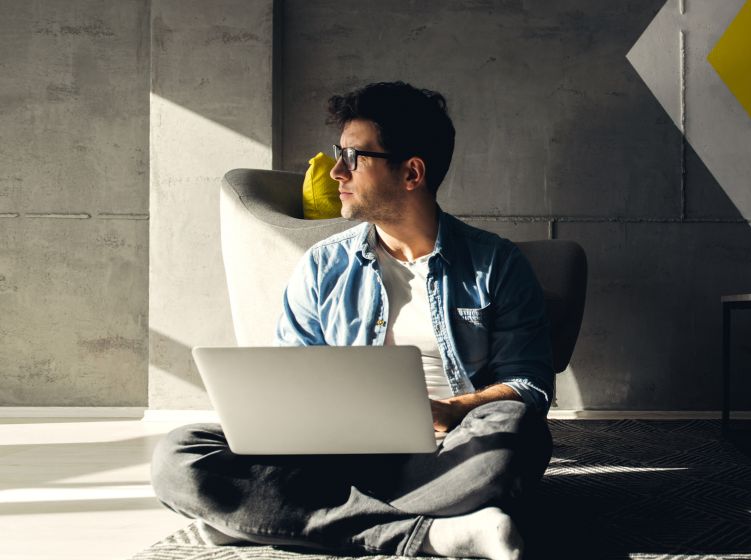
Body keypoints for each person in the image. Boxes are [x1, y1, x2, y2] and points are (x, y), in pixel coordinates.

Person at [151, 82, 555, 560]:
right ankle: (431, 533)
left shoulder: (496, 264)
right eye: (337, 153)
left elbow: (529, 383)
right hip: (336, 454)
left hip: (447, 450)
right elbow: (292, 379)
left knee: (514, 438)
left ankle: (274, 518)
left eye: (354, 156)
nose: (337, 171)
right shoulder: (323, 266)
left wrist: (452, 408)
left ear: (411, 172)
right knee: (180, 456)